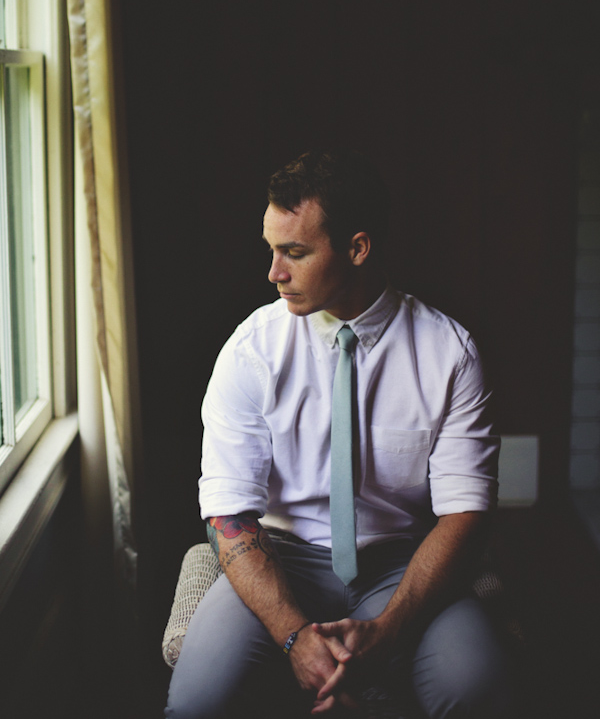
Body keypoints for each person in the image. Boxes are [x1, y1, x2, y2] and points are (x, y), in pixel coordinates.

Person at [165, 149, 517, 719]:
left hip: (398, 564)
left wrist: (390, 631)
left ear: (357, 248)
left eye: (294, 253)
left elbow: (465, 513)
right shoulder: (251, 350)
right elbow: (228, 513)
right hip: (281, 562)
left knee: (475, 690)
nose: (274, 273)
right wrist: (295, 637)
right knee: (197, 703)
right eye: (271, 250)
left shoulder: (448, 353)